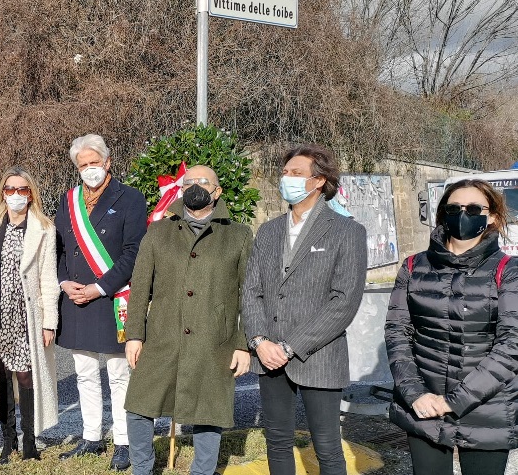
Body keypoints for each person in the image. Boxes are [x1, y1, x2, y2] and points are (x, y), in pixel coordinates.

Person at [241, 144, 367, 475]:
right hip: (267, 355)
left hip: (319, 354)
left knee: (326, 446)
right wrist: (258, 340)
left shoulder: (346, 231)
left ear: (318, 181)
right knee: (277, 441)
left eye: (296, 173)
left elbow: (344, 301)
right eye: (284, 173)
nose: (287, 179)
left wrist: (290, 345)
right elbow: (251, 290)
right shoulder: (268, 231)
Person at [124, 165, 252, 475]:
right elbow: (140, 287)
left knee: (209, 410)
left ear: (217, 191)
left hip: (213, 340)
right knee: (139, 404)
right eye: (189, 181)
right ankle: (141, 468)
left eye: (203, 182)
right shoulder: (158, 232)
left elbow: (249, 294)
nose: (195, 186)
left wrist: (243, 344)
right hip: (162, 338)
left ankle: (203, 471)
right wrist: (134, 335)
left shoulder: (238, 235)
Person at [385, 179, 518, 475]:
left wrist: (453, 401)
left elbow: (512, 345)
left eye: (474, 209)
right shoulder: (412, 267)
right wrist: (415, 393)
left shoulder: (508, 270)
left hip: (487, 406)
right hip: (424, 404)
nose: (463, 215)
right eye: (454, 208)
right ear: (443, 213)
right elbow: (397, 334)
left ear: (492, 216)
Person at [55, 134, 147, 470]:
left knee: (119, 374)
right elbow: (60, 249)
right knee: (84, 373)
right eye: (83, 165)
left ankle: (123, 440)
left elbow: (133, 252)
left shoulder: (131, 199)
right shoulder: (68, 201)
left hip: (111, 297)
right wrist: (64, 282)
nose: (90, 169)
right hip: (76, 298)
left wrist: (99, 287)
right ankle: (91, 436)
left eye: (95, 163)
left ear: (108, 162)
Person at [0, 166, 60, 464]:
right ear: (2, 193)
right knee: (1, 377)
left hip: (26, 317)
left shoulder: (45, 228)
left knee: (26, 376)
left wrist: (49, 322)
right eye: (10, 189)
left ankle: (30, 440)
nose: (16, 195)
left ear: (30, 193)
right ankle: (8, 440)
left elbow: (48, 278)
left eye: (22, 190)